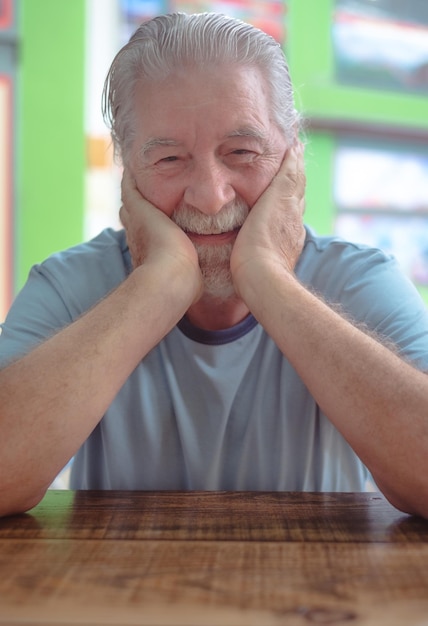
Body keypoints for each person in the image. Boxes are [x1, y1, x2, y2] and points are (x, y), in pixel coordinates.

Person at [1, 13, 428, 519]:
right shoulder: (70, 285)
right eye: (168, 160)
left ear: (293, 157)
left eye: (242, 152)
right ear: (127, 171)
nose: (209, 197)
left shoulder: (360, 279)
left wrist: (266, 276)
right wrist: (159, 283)